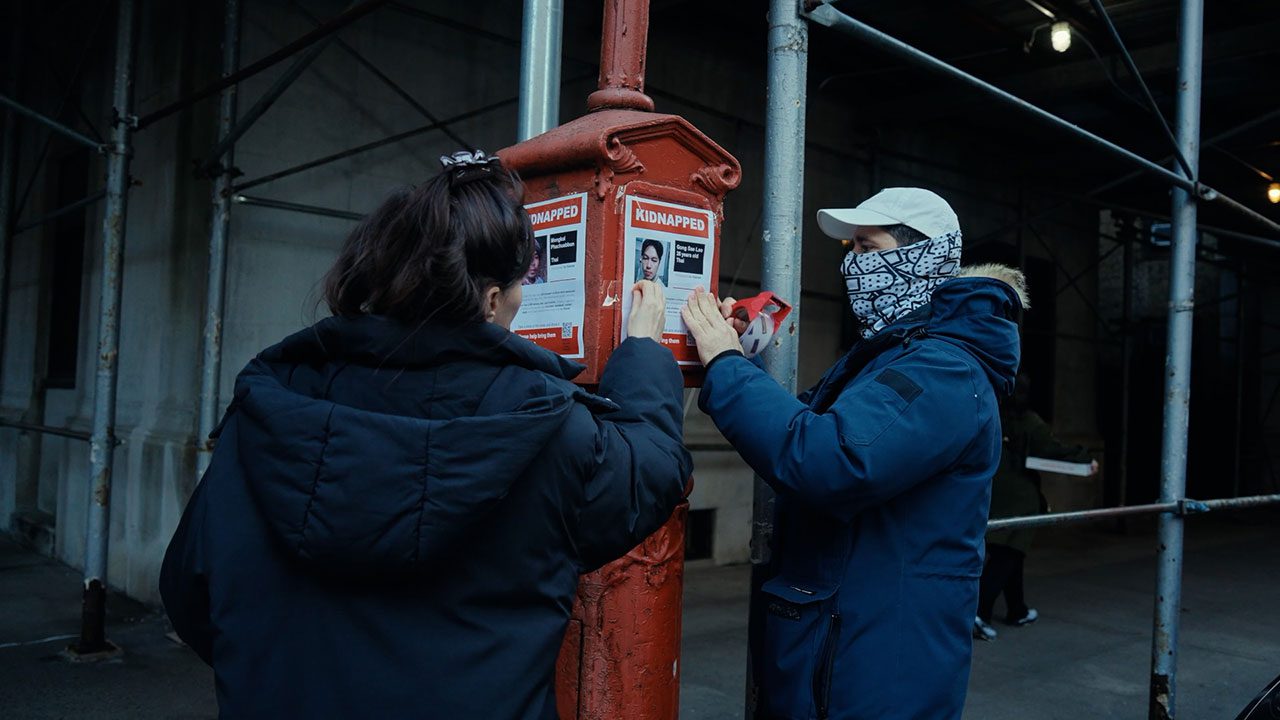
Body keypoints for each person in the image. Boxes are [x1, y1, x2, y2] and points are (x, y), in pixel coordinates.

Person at [159, 150, 691, 719]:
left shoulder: (264, 408)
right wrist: (642, 351)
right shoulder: (549, 430)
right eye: (519, 289)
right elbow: (653, 468)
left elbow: (189, 592)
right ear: (491, 299)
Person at [681, 187, 1028, 719]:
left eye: (867, 248)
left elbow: (829, 459)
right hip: (846, 646)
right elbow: (808, 425)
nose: (852, 265)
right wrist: (737, 361)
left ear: (921, 256)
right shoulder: (893, 355)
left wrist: (726, 366)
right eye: (850, 250)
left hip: (876, 665)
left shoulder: (943, 371)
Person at [975, 374, 1097, 641]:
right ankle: (979, 612)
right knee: (1009, 554)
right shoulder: (1029, 422)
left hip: (993, 491)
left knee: (1008, 552)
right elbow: (1052, 449)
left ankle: (1017, 610)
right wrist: (1085, 457)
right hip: (1020, 496)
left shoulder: (991, 415)